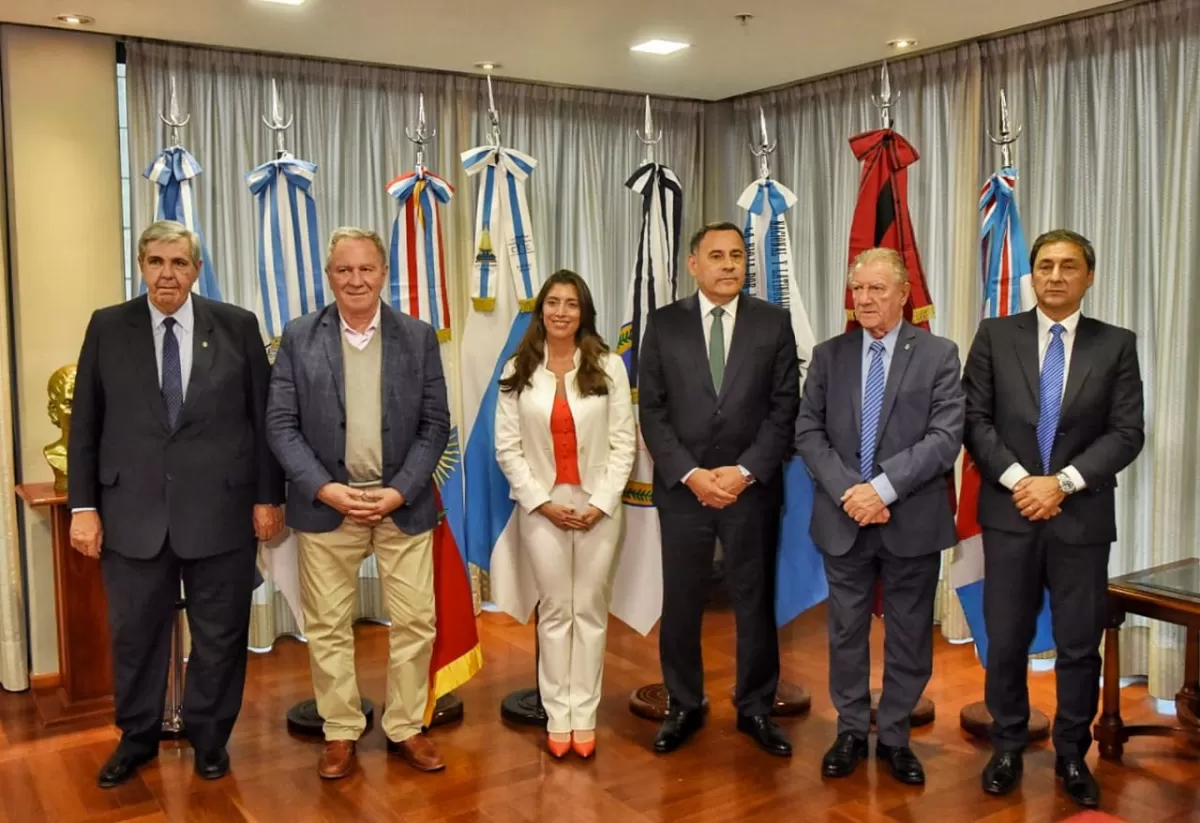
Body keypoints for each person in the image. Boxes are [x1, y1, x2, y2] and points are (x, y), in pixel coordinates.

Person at [68, 220, 284, 788]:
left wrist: (268, 497)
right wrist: (82, 508)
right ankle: (136, 737)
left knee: (220, 635)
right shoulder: (108, 327)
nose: (168, 273)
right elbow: (85, 426)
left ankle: (210, 737)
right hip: (131, 517)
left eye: (180, 263)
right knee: (136, 635)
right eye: (157, 261)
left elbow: (262, 421)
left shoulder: (236, 326)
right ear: (141, 265)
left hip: (222, 513)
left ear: (197, 269)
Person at [963, 229, 1144, 809]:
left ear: (1089, 277)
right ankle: (1008, 746)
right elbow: (974, 421)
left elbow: (1127, 433)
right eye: (1045, 266)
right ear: (1032, 276)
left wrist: (1061, 484)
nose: (1056, 276)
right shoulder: (995, 335)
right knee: (1007, 638)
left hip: (1080, 519)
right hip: (1011, 512)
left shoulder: (1115, 344)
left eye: (1069, 266)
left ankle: (1071, 754)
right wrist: (1022, 482)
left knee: (1077, 643)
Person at [266, 227, 450, 780]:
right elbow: (281, 425)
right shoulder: (298, 337)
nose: (355, 280)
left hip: (402, 502)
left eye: (366, 269)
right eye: (344, 270)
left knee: (417, 620)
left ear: (383, 273)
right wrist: (325, 488)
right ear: (329, 277)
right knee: (326, 625)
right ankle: (341, 731)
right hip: (328, 504)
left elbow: (434, 424)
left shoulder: (418, 337)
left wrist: (400, 490)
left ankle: (404, 726)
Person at [795, 247, 964, 785]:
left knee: (911, 633)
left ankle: (894, 736)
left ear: (903, 293)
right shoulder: (828, 355)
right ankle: (848, 730)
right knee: (845, 632)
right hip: (844, 517)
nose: (865, 299)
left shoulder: (939, 354)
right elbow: (808, 432)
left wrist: (883, 489)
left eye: (877, 289)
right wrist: (853, 491)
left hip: (911, 518)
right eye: (858, 289)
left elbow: (944, 439)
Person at [638, 221, 799, 757]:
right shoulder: (662, 325)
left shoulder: (773, 323)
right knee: (682, 601)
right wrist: (691, 474)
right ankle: (684, 703)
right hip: (684, 491)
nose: (729, 265)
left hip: (750, 491)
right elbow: (653, 411)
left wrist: (744, 471)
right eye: (717, 256)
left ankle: (755, 706)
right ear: (693, 264)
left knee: (754, 602)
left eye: (737, 256)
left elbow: (784, 408)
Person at [494, 270, 636, 759]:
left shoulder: (609, 366)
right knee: (555, 612)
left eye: (571, 304)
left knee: (590, 611)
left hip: (598, 504)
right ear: (540, 312)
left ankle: (585, 715)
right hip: (542, 507)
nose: (560, 312)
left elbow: (624, 443)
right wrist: (541, 502)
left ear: (584, 311)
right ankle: (558, 716)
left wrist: (601, 503)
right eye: (552, 303)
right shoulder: (517, 368)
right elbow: (507, 448)